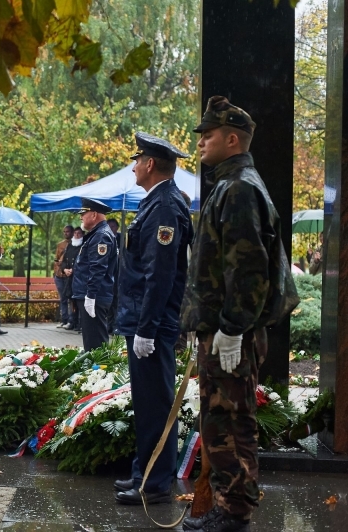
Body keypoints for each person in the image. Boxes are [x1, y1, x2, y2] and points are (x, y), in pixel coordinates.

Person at [180, 96, 299, 532]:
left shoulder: (240, 188)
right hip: (224, 331)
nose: (201, 144)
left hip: (232, 334)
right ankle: (230, 509)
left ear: (233, 139)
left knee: (230, 423)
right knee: (221, 422)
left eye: (208, 136)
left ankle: (234, 515)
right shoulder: (232, 186)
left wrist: (231, 329)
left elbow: (247, 270)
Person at [112, 133, 194, 506]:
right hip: (143, 320)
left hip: (153, 325)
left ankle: (156, 483)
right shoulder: (156, 202)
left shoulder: (164, 207)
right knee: (147, 402)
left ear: (149, 165)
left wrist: (146, 328)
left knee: (156, 403)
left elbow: (158, 275)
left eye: (137, 159)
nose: (133, 166)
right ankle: (143, 472)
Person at [72, 198, 118, 352]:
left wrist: (90, 296)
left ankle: (99, 373)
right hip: (91, 295)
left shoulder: (101, 236)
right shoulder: (96, 234)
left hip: (94, 297)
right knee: (92, 341)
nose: (81, 217)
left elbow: (97, 268)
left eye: (84, 213)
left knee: (95, 344)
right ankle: (96, 372)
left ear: (93, 215)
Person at [61, 227, 84, 331]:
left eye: (79, 233)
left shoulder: (84, 246)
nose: (77, 235)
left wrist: (74, 270)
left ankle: (80, 323)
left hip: (80, 278)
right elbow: (64, 260)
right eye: (75, 233)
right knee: (72, 301)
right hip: (69, 278)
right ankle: (72, 321)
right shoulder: (70, 245)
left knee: (80, 301)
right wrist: (65, 269)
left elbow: (83, 261)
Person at [53, 225, 74, 328]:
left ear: (72, 232)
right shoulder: (60, 245)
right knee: (63, 298)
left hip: (69, 275)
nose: (66, 233)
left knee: (70, 298)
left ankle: (71, 320)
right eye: (64, 232)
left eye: (68, 231)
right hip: (59, 275)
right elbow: (56, 259)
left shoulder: (75, 244)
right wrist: (57, 271)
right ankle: (64, 320)